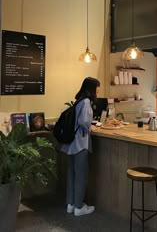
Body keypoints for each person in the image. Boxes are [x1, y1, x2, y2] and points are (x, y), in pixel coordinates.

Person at [60, 77, 100, 216]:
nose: (98, 92)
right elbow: (84, 122)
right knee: (81, 175)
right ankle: (79, 207)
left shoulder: (78, 101)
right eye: (97, 88)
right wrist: (90, 127)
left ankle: (70, 204)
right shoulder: (86, 102)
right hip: (80, 144)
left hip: (70, 144)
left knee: (72, 174)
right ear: (92, 89)